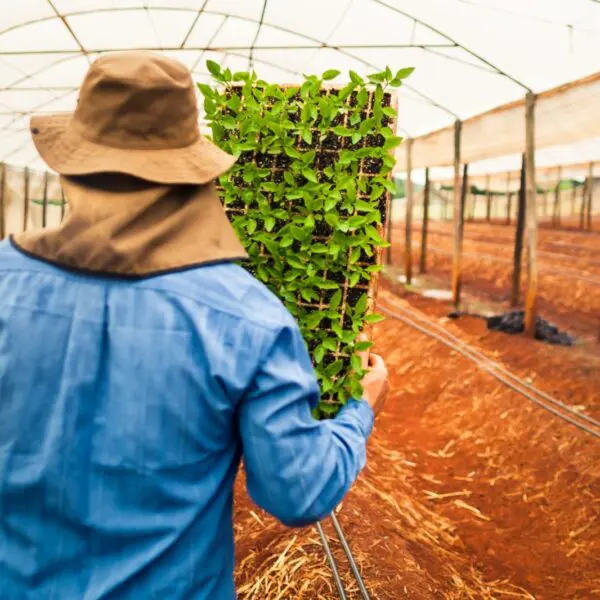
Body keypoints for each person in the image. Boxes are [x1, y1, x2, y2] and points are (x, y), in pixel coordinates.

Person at [0, 52, 389, 599]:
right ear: (192, 179)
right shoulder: (249, 318)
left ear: (70, 169)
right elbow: (296, 491)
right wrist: (359, 412)